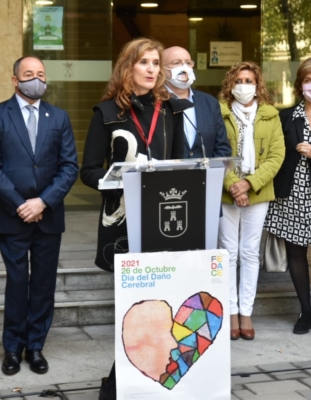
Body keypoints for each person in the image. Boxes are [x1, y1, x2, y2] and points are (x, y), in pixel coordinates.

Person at [80, 37, 190, 400]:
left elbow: (183, 166)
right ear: (128, 67)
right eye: (144, 62)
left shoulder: (171, 110)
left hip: (165, 222)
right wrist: (121, 177)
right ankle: (122, 384)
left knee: (158, 306)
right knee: (135, 309)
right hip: (122, 225)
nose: (151, 69)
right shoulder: (106, 112)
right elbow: (88, 171)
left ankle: (126, 384)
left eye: (156, 63)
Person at [0, 56, 78, 376]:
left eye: (41, 74)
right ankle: (12, 347)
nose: (36, 79)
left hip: (48, 216)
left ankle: (35, 346)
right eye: (29, 74)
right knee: (18, 282)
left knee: (44, 283)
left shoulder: (58, 117)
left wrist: (43, 202)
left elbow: (68, 166)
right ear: (15, 79)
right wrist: (22, 204)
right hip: (12, 215)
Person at [264, 57, 311, 335]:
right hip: (291, 194)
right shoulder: (286, 116)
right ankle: (306, 311)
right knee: (296, 251)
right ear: (299, 85)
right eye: (308, 80)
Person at [217, 61, 285, 341]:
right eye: (239, 80)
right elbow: (216, 151)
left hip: (258, 192)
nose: (244, 85)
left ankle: (246, 311)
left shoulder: (271, 115)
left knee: (249, 253)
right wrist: (235, 186)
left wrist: (250, 184)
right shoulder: (219, 113)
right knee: (228, 253)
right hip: (226, 191)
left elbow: (276, 156)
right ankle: (231, 311)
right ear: (230, 84)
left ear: (258, 85)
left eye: (249, 80)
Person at [162, 46, 231, 159]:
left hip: (205, 175)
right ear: (161, 69)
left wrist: (212, 174)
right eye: (176, 62)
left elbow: (222, 148)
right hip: (168, 175)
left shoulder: (210, 103)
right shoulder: (154, 102)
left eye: (188, 62)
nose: (184, 67)